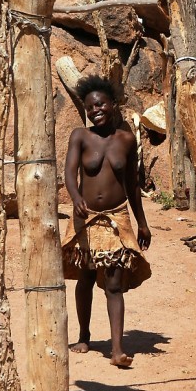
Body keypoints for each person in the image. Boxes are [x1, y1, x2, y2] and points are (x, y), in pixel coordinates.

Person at [62, 75, 152, 367]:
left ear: (113, 104)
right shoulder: (80, 136)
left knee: (114, 283)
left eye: (100, 104)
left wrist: (142, 222)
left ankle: (116, 349)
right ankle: (84, 335)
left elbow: (132, 185)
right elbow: (69, 174)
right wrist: (76, 198)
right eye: (90, 107)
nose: (95, 110)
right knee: (86, 276)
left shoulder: (126, 140)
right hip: (85, 218)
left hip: (116, 217)